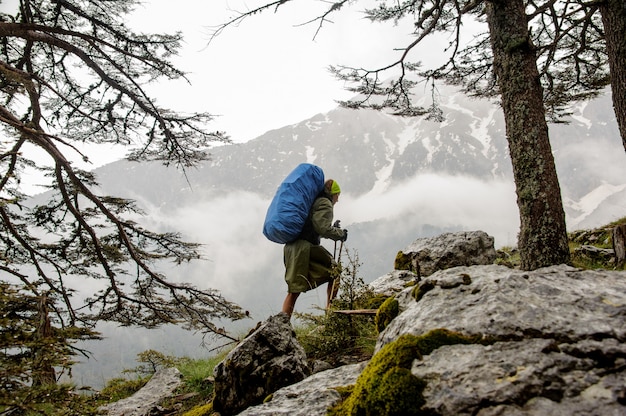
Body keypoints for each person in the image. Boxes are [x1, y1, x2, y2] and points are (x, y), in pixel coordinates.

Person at [282, 179, 348, 317]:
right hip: (304, 248)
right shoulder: (325, 203)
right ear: (333, 193)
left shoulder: (313, 201)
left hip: (291, 247)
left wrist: (332, 228)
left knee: (294, 290)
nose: (338, 199)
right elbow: (322, 228)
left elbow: (314, 226)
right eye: (338, 195)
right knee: (334, 272)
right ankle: (331, 312)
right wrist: (339, 234)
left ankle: (282, 323)